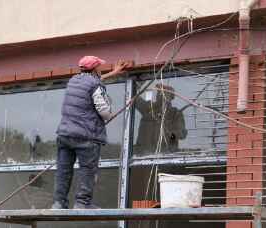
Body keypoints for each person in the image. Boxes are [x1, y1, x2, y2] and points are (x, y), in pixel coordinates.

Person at [52, 56, 128, 209]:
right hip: (86, 136)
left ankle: (59, 203)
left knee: (63, 170)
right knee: (87, 170)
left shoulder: (74, 80)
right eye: (99, 67)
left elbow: (93, 82)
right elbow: (104, 111)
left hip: (65, 134)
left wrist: (114, 73)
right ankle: (82, 203)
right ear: (94, 69)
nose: (101, 69)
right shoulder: (96, 85)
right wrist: (110, 115)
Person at [135, 83, 187, 154]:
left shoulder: (175, 114)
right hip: (143, 155)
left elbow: (181, 134)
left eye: (164, 94)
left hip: (166, 157)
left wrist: (170, 134)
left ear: (170, 97)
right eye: (159, 93)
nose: (161, 96)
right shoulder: (149, 109)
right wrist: (139, 83)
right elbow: (134, 98)